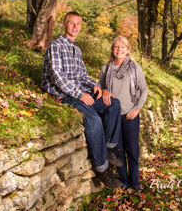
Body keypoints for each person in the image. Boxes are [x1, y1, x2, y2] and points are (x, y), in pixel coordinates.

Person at [41, 11, 123, 188]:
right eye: (71, 23)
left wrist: (96, 86)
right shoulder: (56, 46)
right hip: (63, 94)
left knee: (113, 104)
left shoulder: (76, 49)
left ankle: (109, 149)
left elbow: (82, 76)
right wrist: (80, 94)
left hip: (80, 90)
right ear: (64, 25)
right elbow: (57, 76)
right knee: (93, 119)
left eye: (78, 23)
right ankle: (102, 169)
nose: (75, 27)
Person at [99, 36, 148, 191]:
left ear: (127, 50)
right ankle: (124, 181)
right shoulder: (105, 69)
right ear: (112, 49)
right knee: (118, 151)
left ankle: (135, 182)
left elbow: (144, 90)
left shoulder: (134, 67)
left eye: (122, 46)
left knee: (133, 150)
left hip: (130, 115)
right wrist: (104, 89)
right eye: (116, 46)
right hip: (113, 118)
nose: (119, 49)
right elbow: (100, 91)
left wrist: (137, 109)